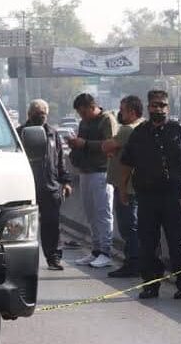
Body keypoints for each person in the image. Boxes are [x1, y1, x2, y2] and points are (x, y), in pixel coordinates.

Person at [121, 90, 181, 299]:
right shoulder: (138, 134)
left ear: (168, 107)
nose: (159, 109)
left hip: (173, 197)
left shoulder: (178, 131)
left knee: (179, 243)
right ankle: (151, 285)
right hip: (146, 197)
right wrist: (123, 189)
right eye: (155, 105)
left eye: (163, 105)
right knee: (148, 243)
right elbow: (127, 164)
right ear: (148, 107)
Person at [17, 99, 72, 270]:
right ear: (29, 115)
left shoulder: (53, 133)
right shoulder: (19, 134)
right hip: (26, 188)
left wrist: (65, 181)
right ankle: (20, 260)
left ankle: (53, 257)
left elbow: (60, 159)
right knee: (20, 226)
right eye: (37, 115)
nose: (41, 118)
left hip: (51, 187)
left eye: (43, 115)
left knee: (52, 225)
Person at [67, 93, 118, 268]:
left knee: (103, 214)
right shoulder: (84, 123)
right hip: (85, 171)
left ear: (91, 107)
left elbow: (111, 144)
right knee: (90, 214)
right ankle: (96, 250)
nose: (82, 117)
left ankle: (106, 251)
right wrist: (75, 145)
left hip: (101, 172)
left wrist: (85, 144)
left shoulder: (106, 120)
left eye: (83, 112)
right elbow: (82, 144)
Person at [101, 96, 144, 277]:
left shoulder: (127, 129)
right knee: (135, 226)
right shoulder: (143, 126)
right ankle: (138, 262)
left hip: (126, 186)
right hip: (137, 185)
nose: (120, 113)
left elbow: (107, 146)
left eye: (123, 110)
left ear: (132, 112)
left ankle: (132, 263)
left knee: (128, 227)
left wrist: (111, 147)